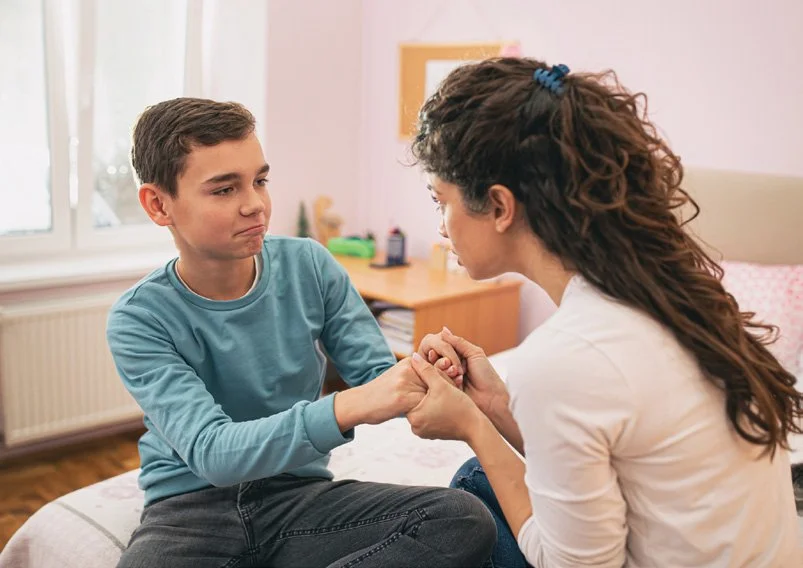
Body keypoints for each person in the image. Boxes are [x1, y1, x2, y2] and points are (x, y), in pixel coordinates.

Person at [404, 58, 803, 567]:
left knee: (471, 488)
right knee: (480, 483)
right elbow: (621, 458)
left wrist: (472, 427)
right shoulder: (677, 298)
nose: (441, 226)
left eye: (440, 200)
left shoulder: (565, 357)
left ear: (500, 207)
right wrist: (495, 407)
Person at [105, 97, 495, 568]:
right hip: (190, 511)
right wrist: (354, 404)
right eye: (224, 189)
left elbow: (376, 375)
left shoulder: (309, 264)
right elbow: (213, 453)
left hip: (299, 497)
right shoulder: (139, 318)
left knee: (461, 518)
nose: (255, 204)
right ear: (158, 204)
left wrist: (427, 373)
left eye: (260, 181)